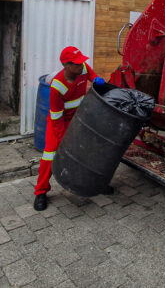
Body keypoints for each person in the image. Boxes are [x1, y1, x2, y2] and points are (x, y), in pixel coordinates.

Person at [33, 46, 105, 211]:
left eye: (82, 62)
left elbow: (92, 75)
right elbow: (57, 118)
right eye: (77, 64)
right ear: (66, 65)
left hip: (78, 118)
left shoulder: (83, 69)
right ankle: (41, 192)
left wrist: (96, 80)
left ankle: (93, 184)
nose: (82, 66)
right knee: (49, 156)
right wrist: (64, 139)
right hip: (59, 122)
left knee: (88, 151)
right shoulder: (57, 87)